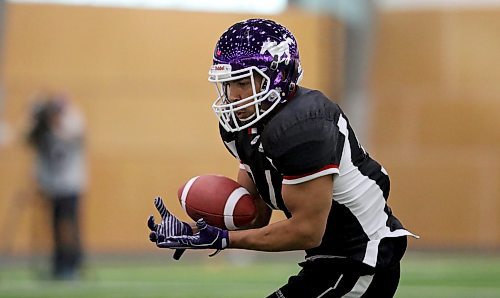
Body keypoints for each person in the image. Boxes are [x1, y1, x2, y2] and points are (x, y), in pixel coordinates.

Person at [147, 18, 418, 297]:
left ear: (277, 75)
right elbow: (254, 215)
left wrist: (223, 240)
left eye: (242, 82)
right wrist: (195, 231)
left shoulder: (304, 126)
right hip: (328, 261)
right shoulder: (243, 127)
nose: (231, 95)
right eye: (227, 84)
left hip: (362, 261)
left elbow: (306, 231)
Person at [27, 92, 86, 280]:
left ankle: (73, 263)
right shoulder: (44, 131)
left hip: (71, 185)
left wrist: (57, 120)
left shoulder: (72, 126)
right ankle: (59, 263)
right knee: (55, 226)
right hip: (53, 187)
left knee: (69, 226)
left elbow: (75, 133)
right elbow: (29, 137)